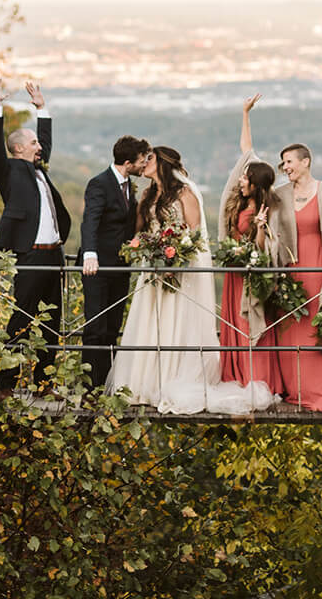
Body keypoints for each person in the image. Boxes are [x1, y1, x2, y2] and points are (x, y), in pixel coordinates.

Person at [107, 146, 275, 414]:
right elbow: (138, 231)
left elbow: (194, 236)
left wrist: (176, 259)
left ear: (162, 163)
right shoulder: (148, 195)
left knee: (175, 323)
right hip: (153, 271)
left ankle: (170, 378)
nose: (145, 162)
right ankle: (142, 383)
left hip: (178, 271)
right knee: (149, 323)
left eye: (150, 158)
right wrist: (145, 248)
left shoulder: (184, 193)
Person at [242, 102, 322, 411]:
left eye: (290, 162)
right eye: (283, 164)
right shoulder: (279, 195)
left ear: (306, 162)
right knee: (290, 330)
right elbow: (261, 208)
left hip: (319, 269)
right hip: (290, 273)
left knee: (315, 332)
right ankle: (295, 391)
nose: (286, 168)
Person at [0, 77, 71, 394]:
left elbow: (46, 145)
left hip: (54, 254)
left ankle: (44, 383)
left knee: (52, 323)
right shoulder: (8, 171)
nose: (40, 147)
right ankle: (6, 384)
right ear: (20, 148)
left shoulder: (39, 168)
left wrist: (42, 108)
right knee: (21, 321)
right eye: (34, 143)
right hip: (31, 254)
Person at [215, 95, 284, 394]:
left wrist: (257, 229)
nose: (240, 180)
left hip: (248, 277)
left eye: (245, 177)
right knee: (232, 324)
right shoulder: (241, 201)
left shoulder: (264, 211)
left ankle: (252, 378)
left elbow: (261, 249)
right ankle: (235, 375)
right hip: (234, 272)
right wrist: (245, 114)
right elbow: (247, 149)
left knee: (248, 323)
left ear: (256, 183)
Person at [78, 133, 152, 388]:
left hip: (121, 267)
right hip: (97, 268)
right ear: (128, 163)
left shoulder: (130, 185)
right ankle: (90, 387)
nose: (145, 164)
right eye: (142, 160)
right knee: (95, 327)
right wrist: (89, 254)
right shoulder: (99, 183)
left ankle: (107, 382)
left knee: (112, 327)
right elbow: (90, 220)